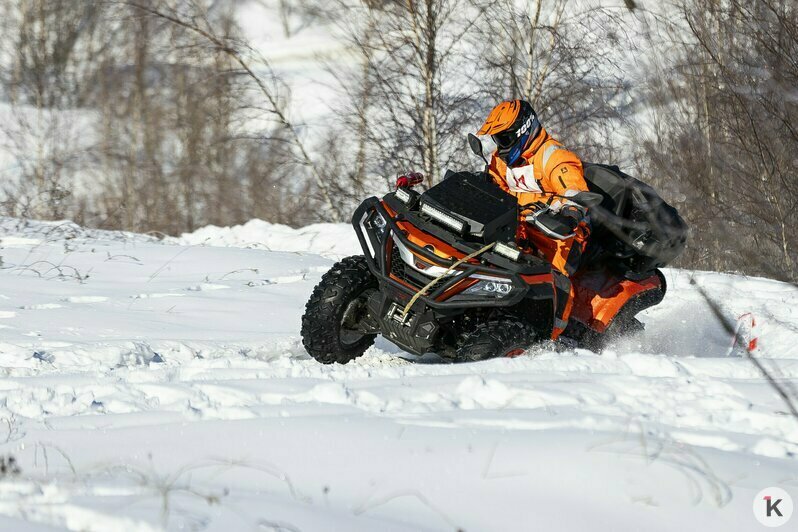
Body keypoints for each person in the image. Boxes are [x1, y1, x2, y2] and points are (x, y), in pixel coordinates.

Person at [477, 99, 590, 339]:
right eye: (497, 139)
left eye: (505, 138)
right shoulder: (502, 159)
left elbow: (574, 190)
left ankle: (552, 334)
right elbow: (495, 183)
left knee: (551, 276)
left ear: (523, 130)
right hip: (516, 225)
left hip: (559, 234)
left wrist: (570, 212)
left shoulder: (553, 156)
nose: (500, 145)